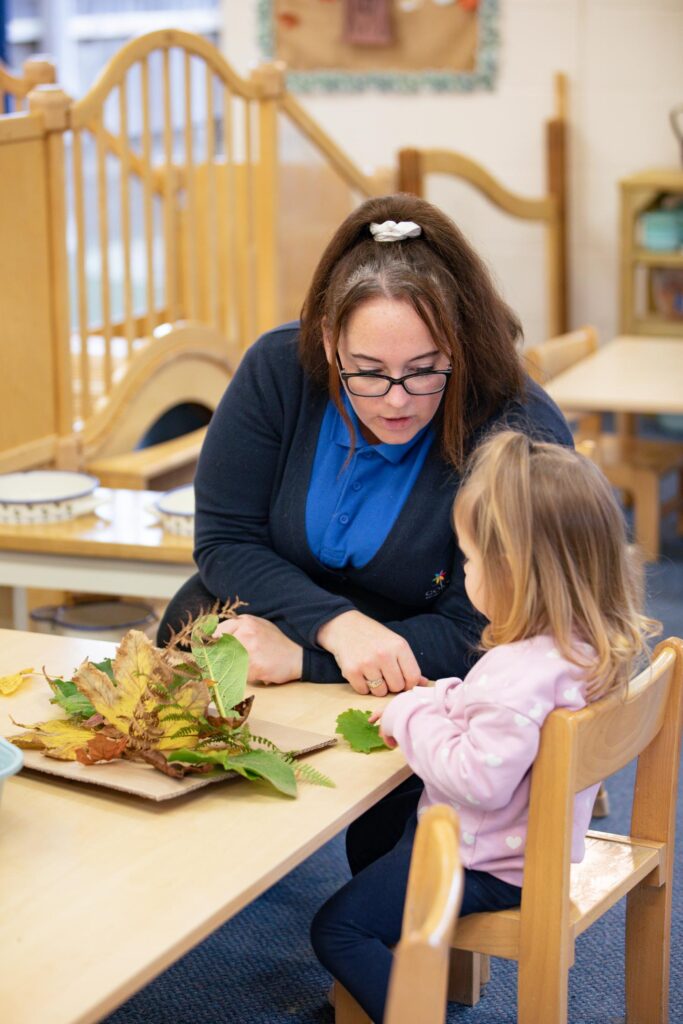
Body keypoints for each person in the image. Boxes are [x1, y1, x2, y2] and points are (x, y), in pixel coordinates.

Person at [157, 194, 573, 692]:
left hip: (431, 673)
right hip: (289, 617)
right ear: (331, 343)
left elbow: (488, 630)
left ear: (457, 343)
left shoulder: (519, 429)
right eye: (370, 372)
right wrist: (336, 626)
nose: (397, 401)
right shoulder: (277, 369)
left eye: (422, 370)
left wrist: (307, 659)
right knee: (193, 619)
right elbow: (226, 540)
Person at [310, 430, 659, 1024]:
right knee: (380, 843)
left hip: (490, 863)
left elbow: (478, 779)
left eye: (469, 560)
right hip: (525, 846)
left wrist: (408, 712)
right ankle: (407, 972)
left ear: (514, 572)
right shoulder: (577, 647)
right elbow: (502, 723)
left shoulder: (514, 676)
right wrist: (446, 695)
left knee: (338, 929)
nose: (464, 574)